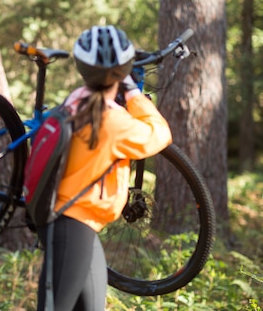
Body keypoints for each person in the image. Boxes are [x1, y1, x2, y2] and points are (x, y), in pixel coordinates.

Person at [36, 26, 173, 310]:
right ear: (122, 70)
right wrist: (134, 93)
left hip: (81, 228)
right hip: (69, 225)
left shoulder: (76, 100)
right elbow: (160, 134)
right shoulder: (114, 122)